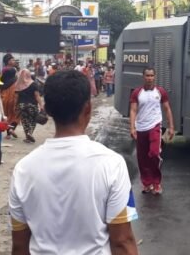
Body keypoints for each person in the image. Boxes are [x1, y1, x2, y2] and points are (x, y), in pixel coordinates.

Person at [9, 71, 139, 254]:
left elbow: (20, 246)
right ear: (88, 108)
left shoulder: (23, 170)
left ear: (47, 109)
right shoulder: (112, 165)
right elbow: (122, 241)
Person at [129, 67, 175, 195]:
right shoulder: (137, 93)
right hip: (141, 128)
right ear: (143, 77)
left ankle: (156, 182)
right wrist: (132, 127)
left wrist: (171, 127)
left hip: (155, 126)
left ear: (155, 77)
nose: (149, 78)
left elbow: (167, 109)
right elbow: (133, 110)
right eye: (147, 76)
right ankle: (147, 183)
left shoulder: (160, 92)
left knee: (154, 153)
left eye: (151, 76)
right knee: (142, 158)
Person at [15, 69, 43, 144]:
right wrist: (41, 105)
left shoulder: (18, 85)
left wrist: (15, 106)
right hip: (32, 105)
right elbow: (37, 96)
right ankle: (30, 133)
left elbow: (16, 97)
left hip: (22, 105)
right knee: (33, 120)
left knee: (25, 121)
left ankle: (27, 136)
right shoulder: (33, 84)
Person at [1, 68, 19, 139]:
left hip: (4, 101)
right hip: (14, 100)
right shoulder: (16, 81)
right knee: (16, 117)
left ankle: (8, 134)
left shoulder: (3, 82)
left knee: (7, 117)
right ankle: (11, 130)